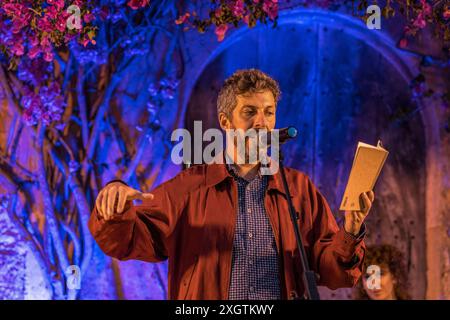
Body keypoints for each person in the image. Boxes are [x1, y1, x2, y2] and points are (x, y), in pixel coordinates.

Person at [89, 69, 375, 300]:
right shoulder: (190, 187)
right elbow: (129, 241)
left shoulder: (298, 188)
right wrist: (115, 208)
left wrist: (350, 231)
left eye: (269, 112)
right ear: (225, 122)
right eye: (249, 112)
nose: (262, 122)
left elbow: (333, 273)